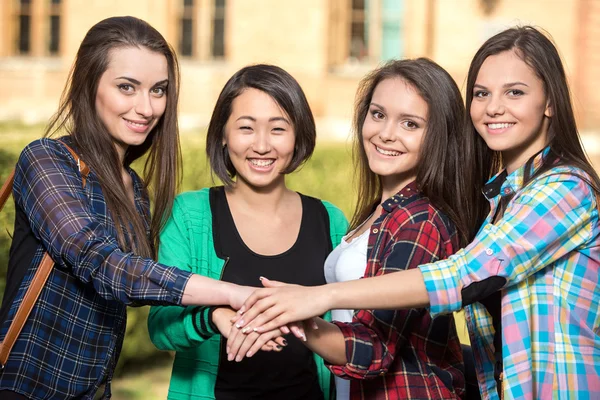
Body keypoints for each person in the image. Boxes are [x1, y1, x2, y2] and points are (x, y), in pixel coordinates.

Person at [233, 26, 600, 399]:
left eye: (515, 93)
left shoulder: (565, 189)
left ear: (550, 101)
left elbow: (464, 274)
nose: (493, 107)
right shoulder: (501, 200)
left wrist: (322, 297)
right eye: (481, 93)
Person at [0, 17, 253, 400]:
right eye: (126, 87)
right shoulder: (47, 159)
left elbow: (135, 285)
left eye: (158, 90)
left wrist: (216, 311)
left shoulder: (135, 189)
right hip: (27, 388)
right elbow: (100, 262)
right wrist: (229, 292)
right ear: (89, 86)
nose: (146, 107)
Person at [229, 58, 478, 400]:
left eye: (409, 123)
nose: (385, 133)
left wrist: (298, 319)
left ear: (438, 135)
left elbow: (375, 349)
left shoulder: (421, 220)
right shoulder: (381, 211)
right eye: (378, 114)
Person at [147, 64, 348, 400]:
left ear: (298, 135)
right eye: (246, 127)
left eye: (278, 128)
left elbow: (348, 337)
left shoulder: (330, 220)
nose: (262, 145)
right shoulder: (189, 214)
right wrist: (214, 317)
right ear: (223, 135)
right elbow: (161, 326)